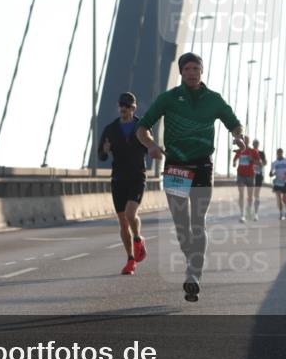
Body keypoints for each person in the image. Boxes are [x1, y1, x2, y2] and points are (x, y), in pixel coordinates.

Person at [136, 52, 246, 303]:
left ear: (202, 71)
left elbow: (235, 124)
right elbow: (142, 128)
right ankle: (192, 260)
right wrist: (151, 145)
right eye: (187, 69)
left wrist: (238, 137)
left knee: (198, 221)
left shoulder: (214, 100)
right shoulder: (168, 98)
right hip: (176, 167)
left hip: (202, 166)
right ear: (181, 72)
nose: (192, 73)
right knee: (181, 225)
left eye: (196, 68)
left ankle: (193, 274)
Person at [98, 92, 149, 275]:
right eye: (121, 105)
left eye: (127, 106)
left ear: (133, 108)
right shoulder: (110, 129)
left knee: (130, 213)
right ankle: (130, 260)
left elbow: (149, 145)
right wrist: (105, 151)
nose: (123, 108)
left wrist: (154, 149)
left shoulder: (141, 127)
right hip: (118, 178)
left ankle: (138, 238)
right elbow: (101, 156)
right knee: (122, 221)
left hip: (137, 176)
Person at [233, 136, 261, 222]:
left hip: (250, 175)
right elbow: (235, 159)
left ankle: (249, 212)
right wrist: (234, 163)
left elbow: (259, 163)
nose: (245, 142)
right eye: (243, 141)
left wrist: (252, 159)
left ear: (249, 142)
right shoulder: (240, 151)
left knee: (250, 196)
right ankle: (242, 215)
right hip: (240, 175)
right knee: (241, 194)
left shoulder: (253, 151)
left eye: (246, 141)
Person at [270, 148, 286, 220]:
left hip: (285, 182)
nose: (279, 154)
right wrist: (273, 173)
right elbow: (270, 174)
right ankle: (281, 214)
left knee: (284, 199)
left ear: (282, 153)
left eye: (280, 152)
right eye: (278, 152)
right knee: (279, 199)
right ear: (277, 153)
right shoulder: (274, 163)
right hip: (277, 182)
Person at [252, 139, 268, 220]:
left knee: (256, 194)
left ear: (258, 145)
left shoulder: (261, 153)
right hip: (250, 175)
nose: (255, 145)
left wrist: (261, 163)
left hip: (258, 175)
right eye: (254, 144)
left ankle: (256, 213)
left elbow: (265, 162)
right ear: (252, 144)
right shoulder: (250, 152)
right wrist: (256, 162)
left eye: (256, 144)